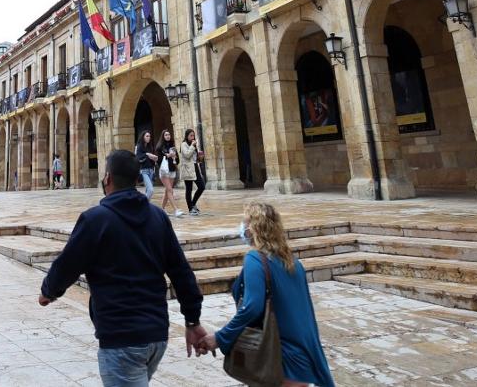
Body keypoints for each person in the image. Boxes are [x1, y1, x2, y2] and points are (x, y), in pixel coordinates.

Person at [39, 149, 209, 386]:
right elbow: (181, 272)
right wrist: (192, 320)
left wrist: (49, 291)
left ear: (107, 178)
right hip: (157, 334)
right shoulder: (158, 217)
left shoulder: (95, 220)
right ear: (137, 179)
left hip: (121, 336)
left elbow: (68, 264)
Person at [200, 202, 335, 387]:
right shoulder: (293, 262)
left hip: (278, 356)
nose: (242, 227)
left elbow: (251, 307)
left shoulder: (255, 259)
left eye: (244, 222)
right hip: (303, 355)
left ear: (253, 228)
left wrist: (221, 337)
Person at [156, 130, 182, 218]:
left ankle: (162, 209)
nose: (168, 136)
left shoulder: (173, 147)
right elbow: (158, 160)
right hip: (164, 171)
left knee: (167, 191)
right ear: (163, 136)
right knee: (170, 190)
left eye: (169, 134)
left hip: (172, 170)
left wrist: (174, 157)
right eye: (166, 135)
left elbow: (177, 161)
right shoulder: (159, 147)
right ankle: (176, 210)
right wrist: (167, 156)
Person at [179, 129, 204, 216]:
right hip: (187, 169)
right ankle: (190, 209)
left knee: (202, 186)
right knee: (189, 189)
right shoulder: (183, 144)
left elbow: (194, 158)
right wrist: (193, 146)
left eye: (193, 135)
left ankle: (193, 203)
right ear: (187, 136)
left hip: (195, 167)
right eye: (191, 135)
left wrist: (200, 158)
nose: (192, 137)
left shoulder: (193, 145)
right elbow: (187, 155)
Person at [134, 131, 158, 202]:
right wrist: (147, 154)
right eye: (147, 136)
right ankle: (143, 204)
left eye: (149, 136)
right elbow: (138, 158)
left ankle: (146, 205)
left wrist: (154, 158)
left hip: (151, 170)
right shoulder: (139, 146)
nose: (149, 138)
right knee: (150, 190)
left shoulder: (150, 147)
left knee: (148, 191)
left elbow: (153, 158)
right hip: (143, 171)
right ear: (143, 137)